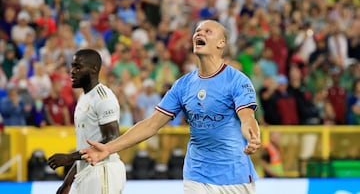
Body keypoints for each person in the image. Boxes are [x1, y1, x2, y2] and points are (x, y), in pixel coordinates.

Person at [81, 20, 261, 194]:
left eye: (208, 31)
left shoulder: (237, 81)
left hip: (236, 176)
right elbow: (151, 125)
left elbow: (247, 118)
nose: (199, 33)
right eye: (197, 30)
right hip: (197, 175)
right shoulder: (183, 85)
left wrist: (252, 136)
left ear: (221, 43)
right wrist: (108, 148)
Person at [47, 49, 126, 194]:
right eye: (72, 66)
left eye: (78, 67)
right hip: (86, 172)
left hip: (104, 170)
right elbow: (85, 146)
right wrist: (67, 183)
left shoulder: (104, 98)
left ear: (93, 69)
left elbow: (112, 138)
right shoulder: (84, 98)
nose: (72, 72)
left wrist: (70, 157)